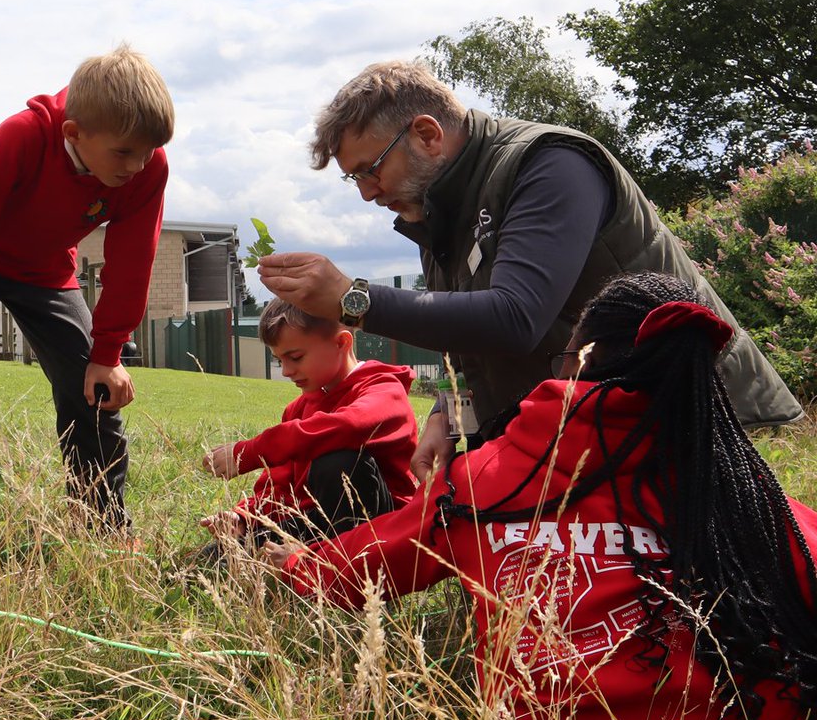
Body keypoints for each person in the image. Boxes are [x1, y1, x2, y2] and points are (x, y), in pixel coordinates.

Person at [267, 272, 817, 720]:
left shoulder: (481, 480)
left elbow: (365, 565)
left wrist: (294, 562)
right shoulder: (742, 494)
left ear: (578, 361)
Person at [257, 61, 802, 482]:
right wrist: (450, 413)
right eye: (354, 180)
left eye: (370, 170)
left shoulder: (549, 163)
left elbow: (517, 316)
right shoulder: (436, 212)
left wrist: (352, 298)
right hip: (589, 434)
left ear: (426, 134)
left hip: (687, 427)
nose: (368, 193)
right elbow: (470, 350)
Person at [0, 44, 175, 580]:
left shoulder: (146, 167)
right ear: (74, 134)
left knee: (93, 388)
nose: (138, 165)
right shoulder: (22, 137)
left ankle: (100, 522)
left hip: (45, 269)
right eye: (124, 153)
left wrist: (109, 353)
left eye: (149, 151)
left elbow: (134, 261)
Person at [200, 297, 418, 549]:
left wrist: (252, 451)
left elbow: (349, 426)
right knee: (224, 554)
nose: (286, 371)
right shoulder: (297, 409)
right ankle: (310, 556)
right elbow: (281, 487)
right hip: (319, 522)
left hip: (383, 528)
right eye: (280, 360)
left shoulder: (383, 389)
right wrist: (245, 516)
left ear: (341, 342)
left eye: (296, 357)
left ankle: (337, 566)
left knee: (337, 460)